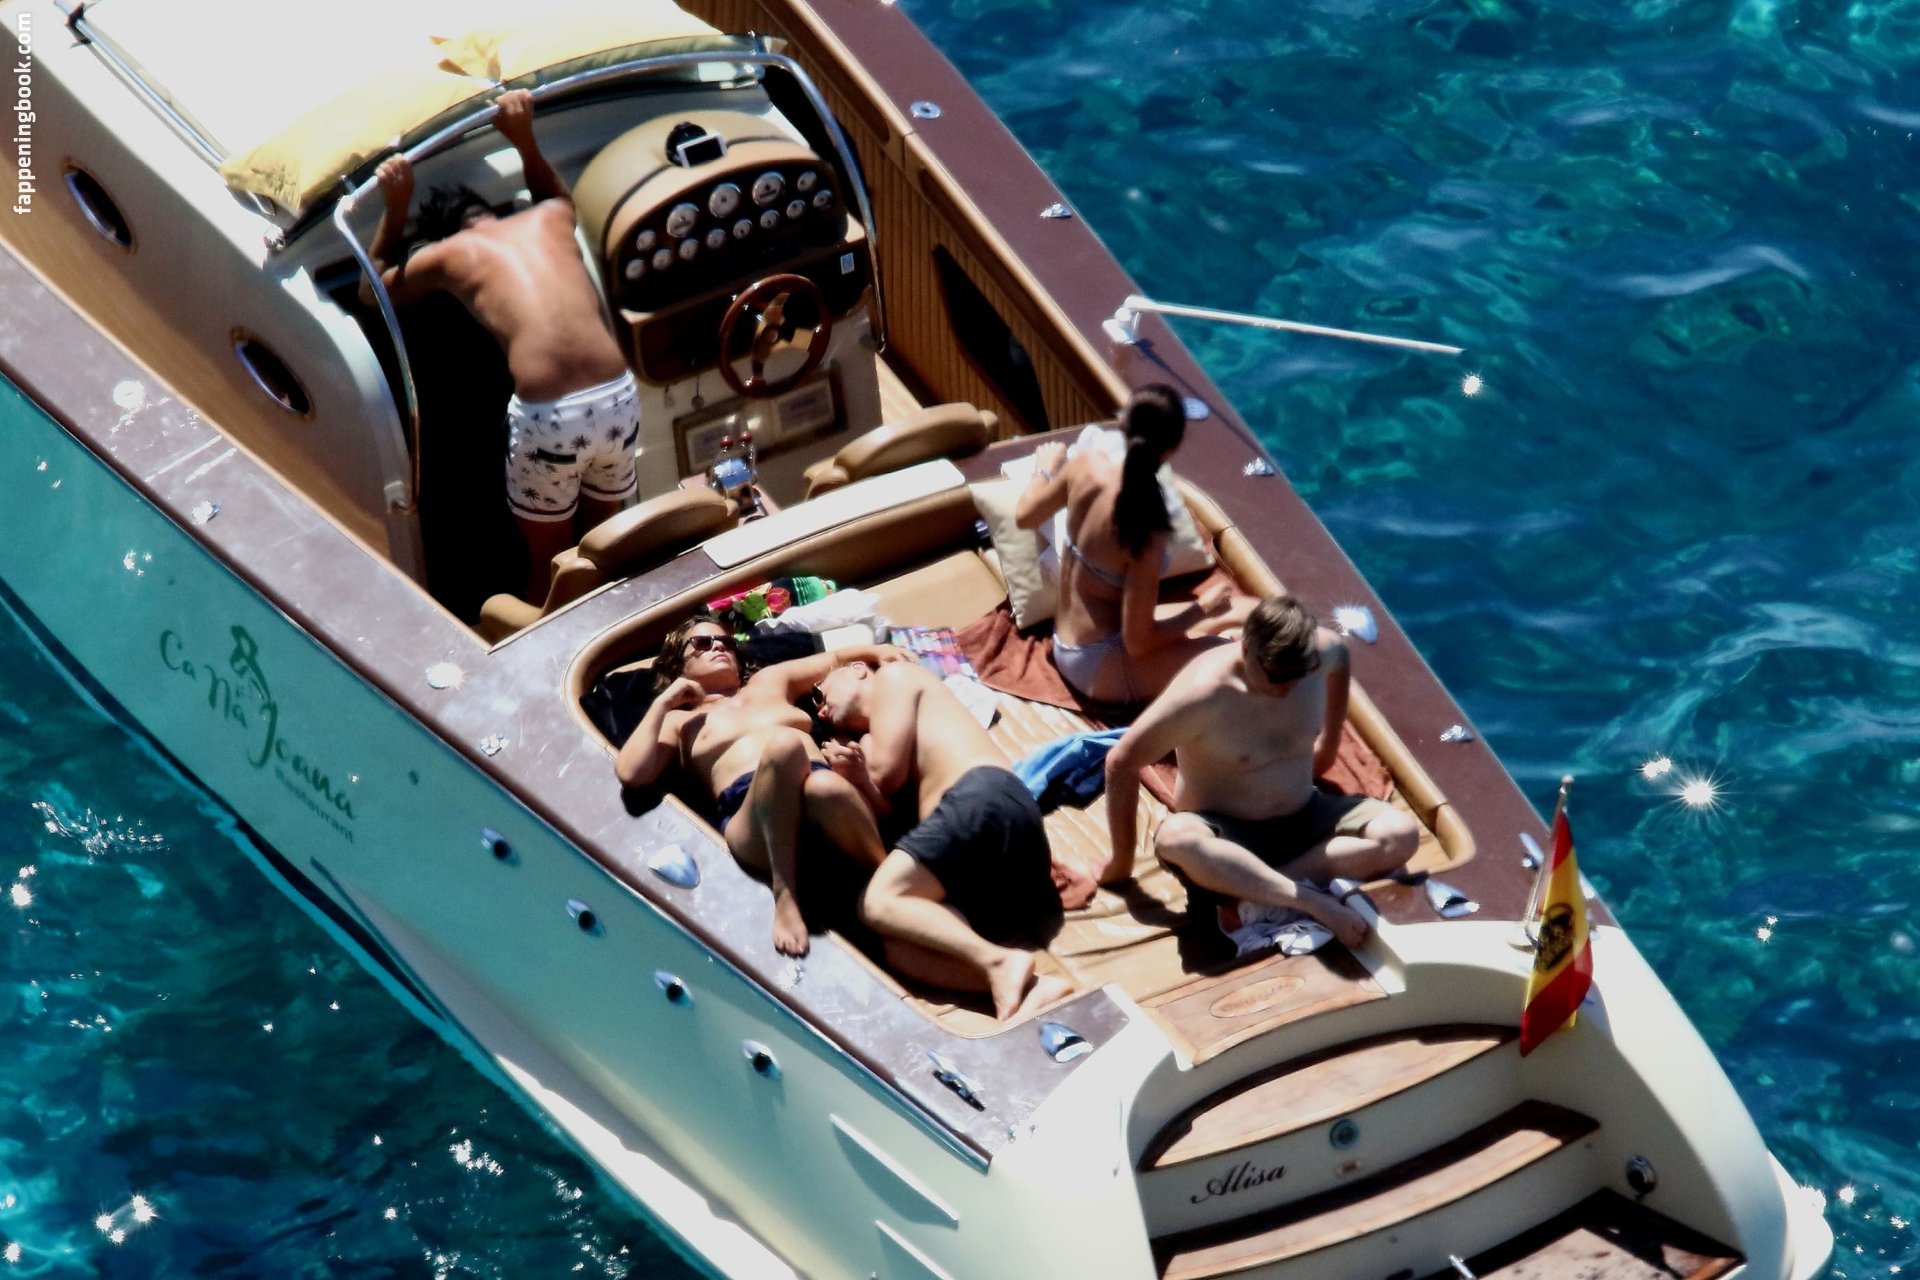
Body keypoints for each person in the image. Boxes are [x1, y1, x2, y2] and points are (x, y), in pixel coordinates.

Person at [364, 89, 638, 603]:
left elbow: (370, 290)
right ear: (490, 209)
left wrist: (395, 208)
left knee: (554, 564)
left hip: (554, 418)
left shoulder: (448, 252)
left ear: (438, 236)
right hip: (618, 396)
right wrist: (524, 139)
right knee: (606, 544)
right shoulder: (551, 216)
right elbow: (554, 193)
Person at [1101, 595, 1419, 947]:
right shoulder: (1203, 694)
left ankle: (1256, 894)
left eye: (1297, 676)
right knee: (1176, 839)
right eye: (1276, 675)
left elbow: (1340, 658)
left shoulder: (1325, 653)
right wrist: (1120, 863)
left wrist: (1326, 751)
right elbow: (1121, 761)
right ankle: (1309, 900)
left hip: (1305, 814)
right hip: (1227, 834)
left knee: (1400, 834)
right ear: (1245, 648)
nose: (1287, 688)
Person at [614, 618, 905, 957]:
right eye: (703, 644)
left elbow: (835, 658)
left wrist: (877, 652)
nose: (719, 646)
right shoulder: (679, 721)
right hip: (751, 819)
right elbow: (631, 773)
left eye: (726, 642)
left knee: (825, 786)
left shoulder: (769, 681)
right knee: (784, 744)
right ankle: (785, 893)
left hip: (818, 791)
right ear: (679, 663)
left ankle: (892, 889)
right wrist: (663, 702)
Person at [813, 660, 1071, 1021]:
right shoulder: (872, 742)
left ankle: (997, 962)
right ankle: (1031, 985)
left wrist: (862, 771)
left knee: (878, 901)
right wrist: (858, 778)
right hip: (982, 853)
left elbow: (887, 773)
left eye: (819, 693)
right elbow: (890, 809)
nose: (821, 711)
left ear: (856, 669)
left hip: (981, 798)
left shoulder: (894, 676)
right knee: (900, 950)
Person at [1013, 383, 1250, 706]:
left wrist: (1045, 470)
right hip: (1097, 664)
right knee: (1243, 657)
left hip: (1067, 640)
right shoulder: (1147, 529)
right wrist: (1202, 609)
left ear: (1123, 423)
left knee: (1247, 610)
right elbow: (1138, 643)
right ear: (1173, 447)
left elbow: (1025, 516)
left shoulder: (1085, 465)